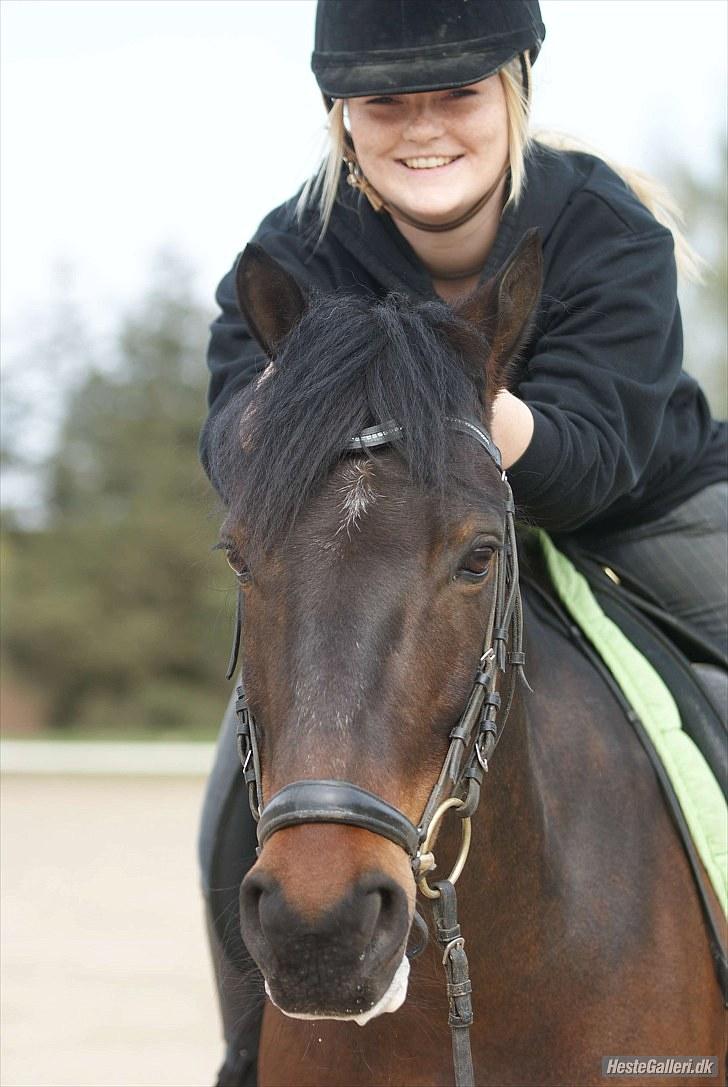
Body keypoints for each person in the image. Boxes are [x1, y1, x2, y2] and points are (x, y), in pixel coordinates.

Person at [199, 3, 727, 1083]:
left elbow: (588, 463)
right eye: (385, 101)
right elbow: (232, 441)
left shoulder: (606, 227)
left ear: (512, 92)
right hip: (395, 538)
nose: (422, 127)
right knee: (240, 776)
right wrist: (274, 423)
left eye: (457, 94)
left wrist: (448, 400)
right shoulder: (291, 249)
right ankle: (253, 1046)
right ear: (340, 116)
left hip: (636, 507)